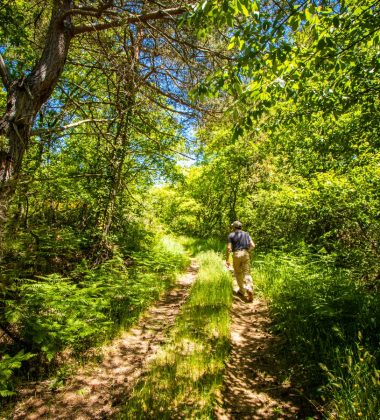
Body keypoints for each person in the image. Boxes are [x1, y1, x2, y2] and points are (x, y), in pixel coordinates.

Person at [226, 220, 255, 302]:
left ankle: (242, 291)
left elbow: (229, 248)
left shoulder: (231, 235)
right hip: (245, 253)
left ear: (234, 227)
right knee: (247, 273)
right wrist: (248, 251)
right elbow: (253, 245)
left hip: (236, 254)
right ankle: (249, 287)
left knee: (238, 273)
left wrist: (227, 259)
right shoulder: (246, 234)